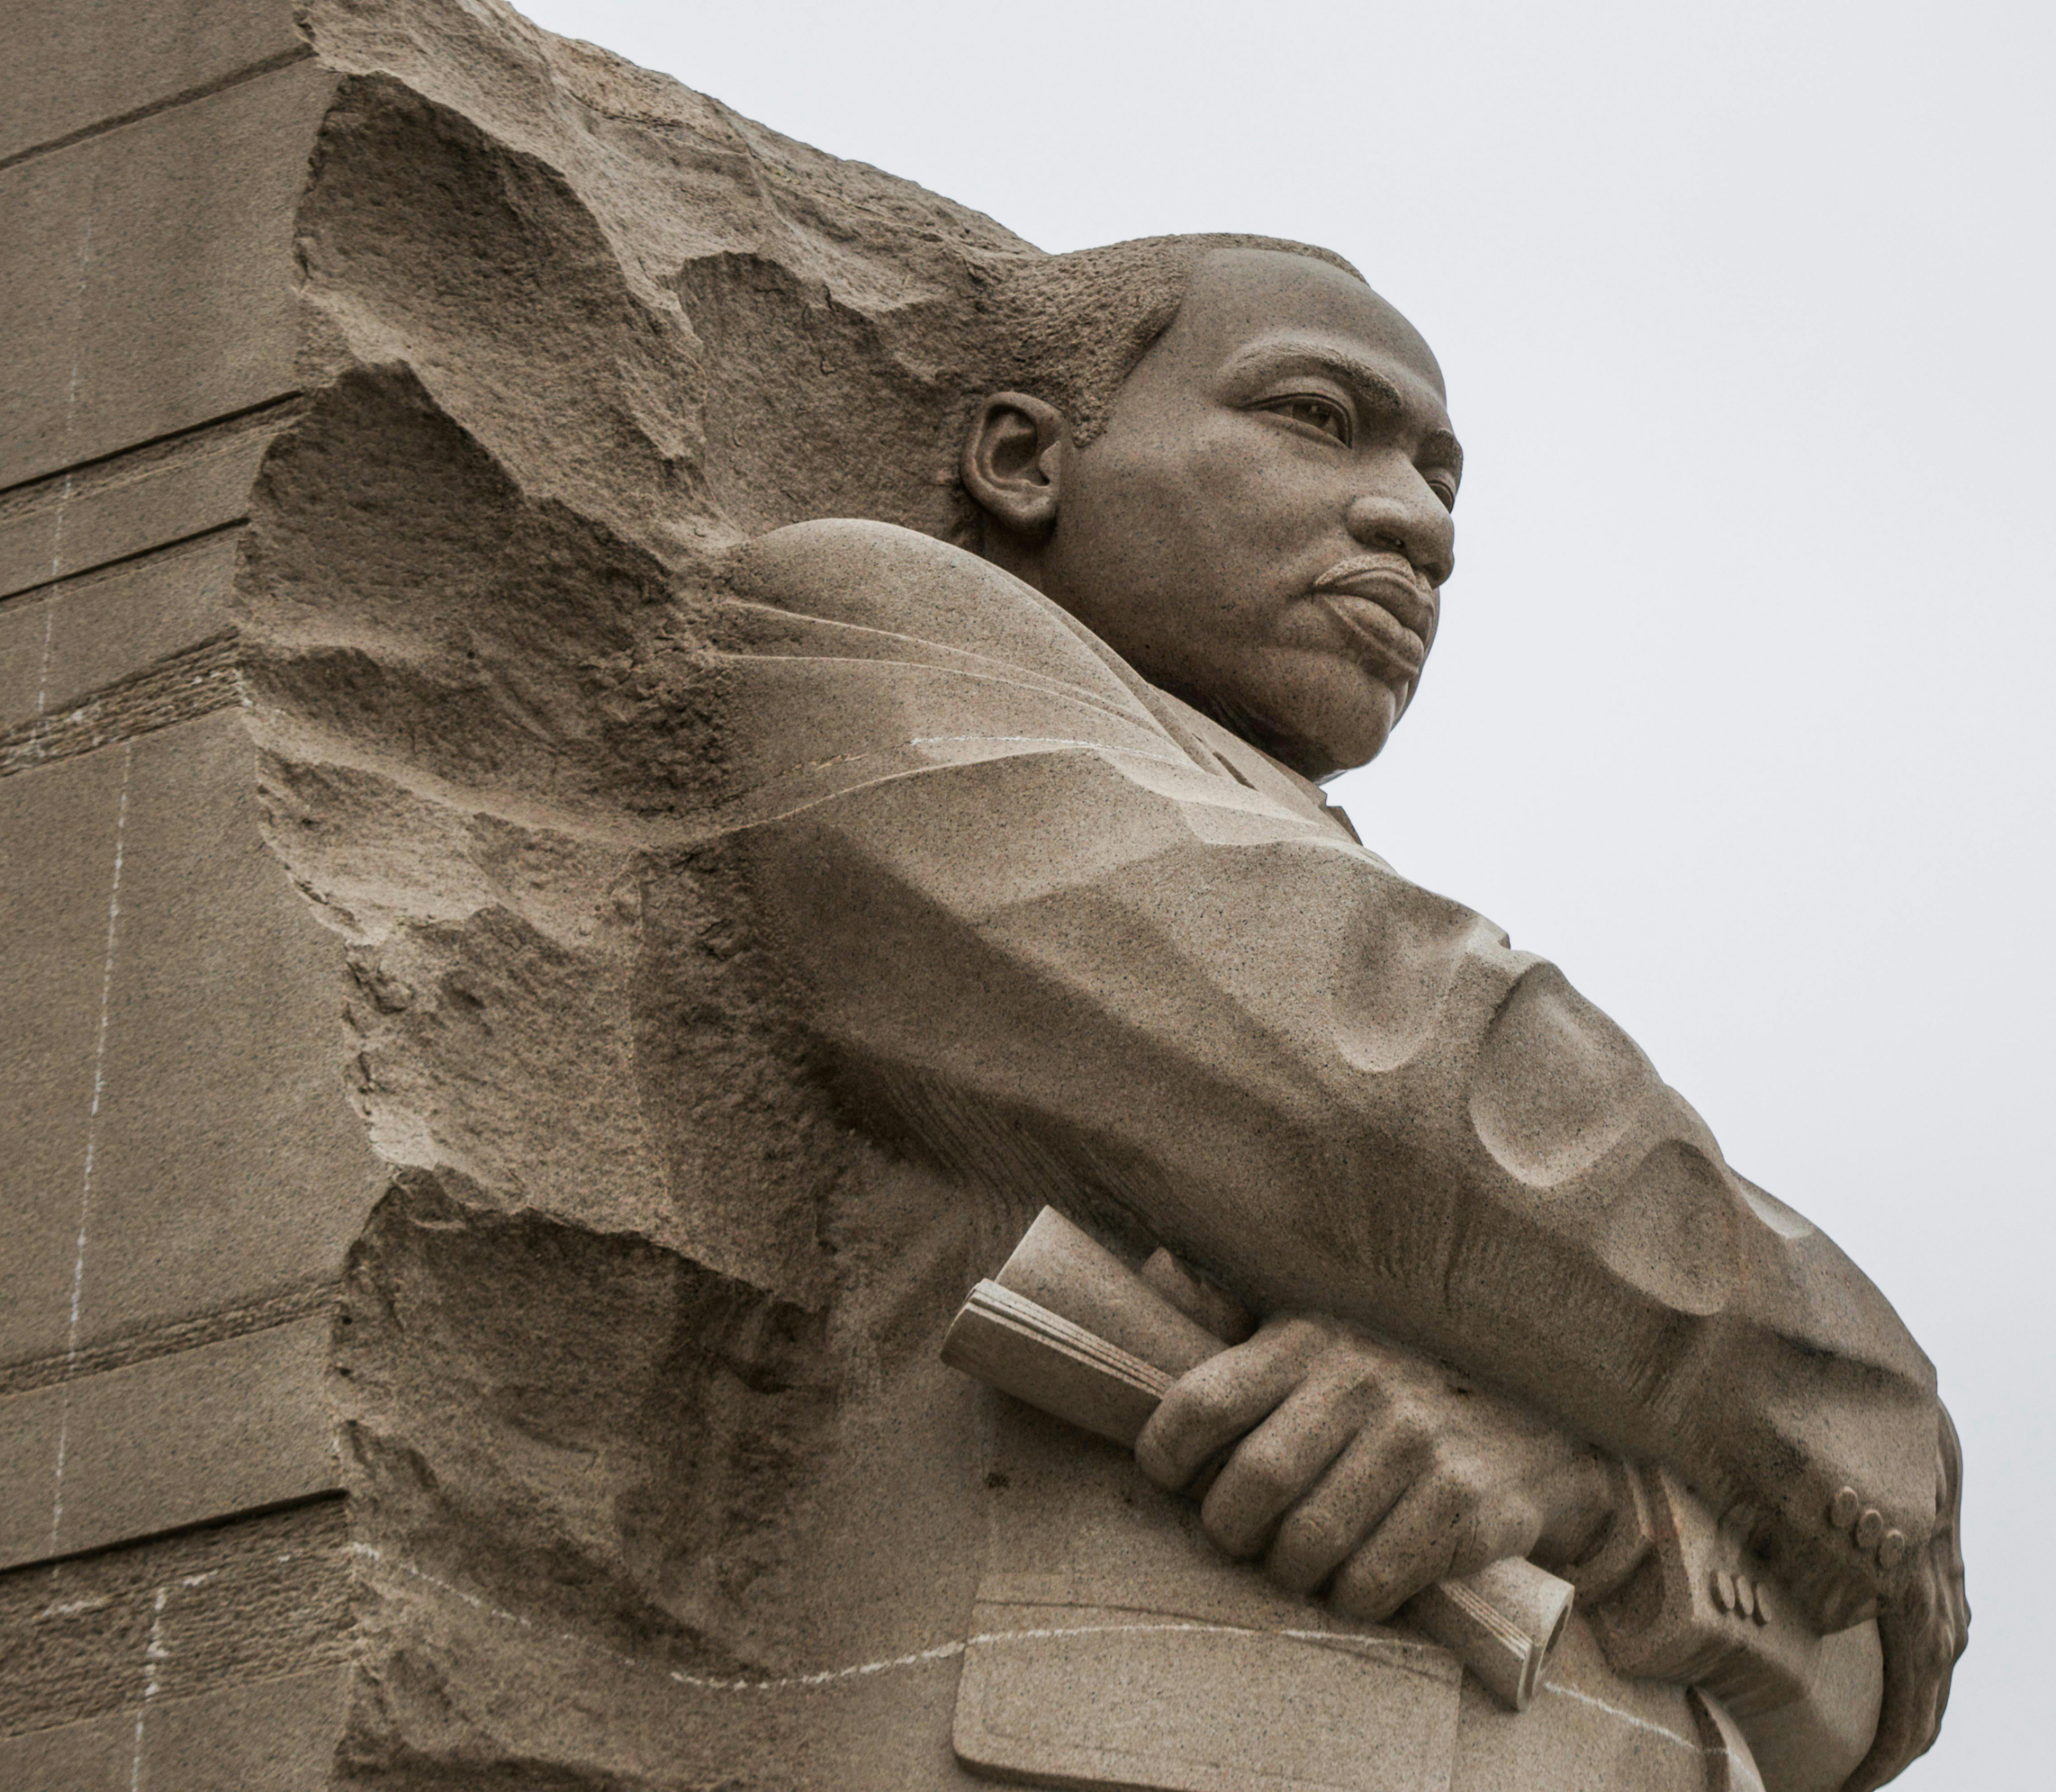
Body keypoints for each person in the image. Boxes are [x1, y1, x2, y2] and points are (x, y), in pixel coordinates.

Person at [696, 235, 1965, 1789]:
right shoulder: (861, 628)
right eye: (1317, 417)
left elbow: (1873, 1696)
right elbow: (1394, 1088)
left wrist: (1592, 1489)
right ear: (1024, 459)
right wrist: (1864, 1410)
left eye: (1442, 481)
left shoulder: (1334, 885)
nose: (1419, 525)